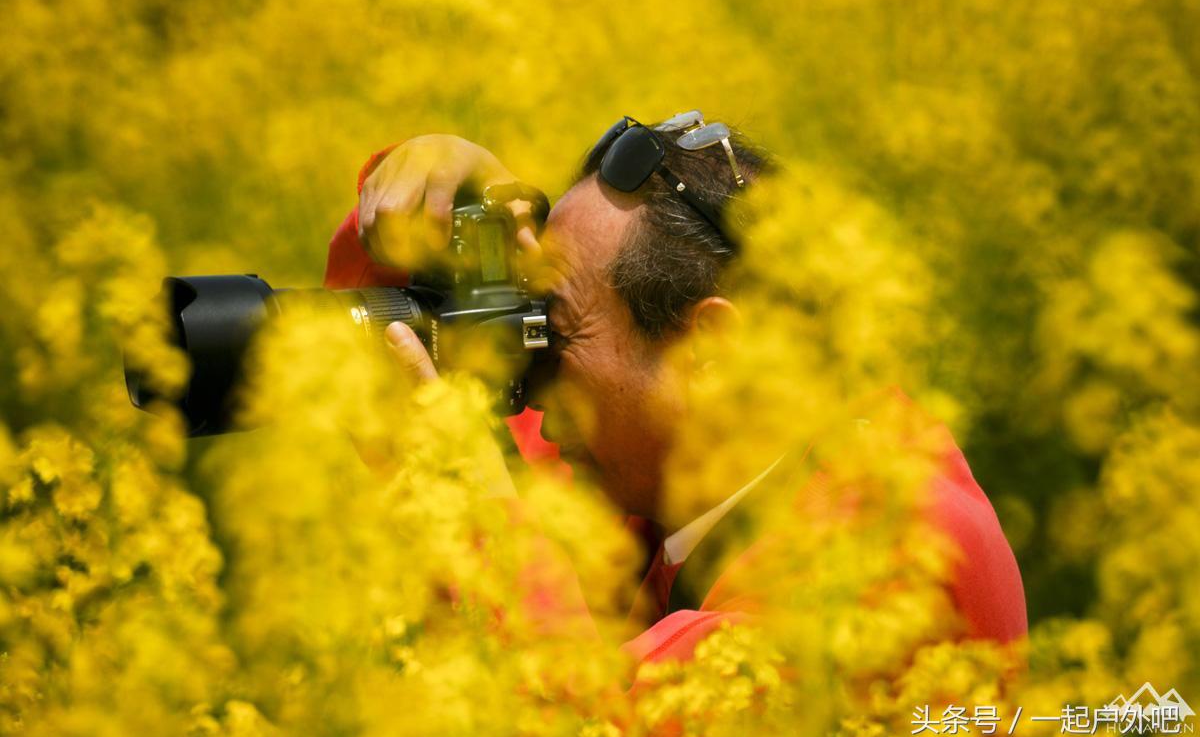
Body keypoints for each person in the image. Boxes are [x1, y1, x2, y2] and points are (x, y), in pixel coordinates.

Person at [322, 114, 1028, 670]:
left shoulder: (889, 561)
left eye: (553, 330)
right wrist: (421, 217)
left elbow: (574, 724)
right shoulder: (696, 464)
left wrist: (471, 516)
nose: (534, 390)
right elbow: (418, 400)